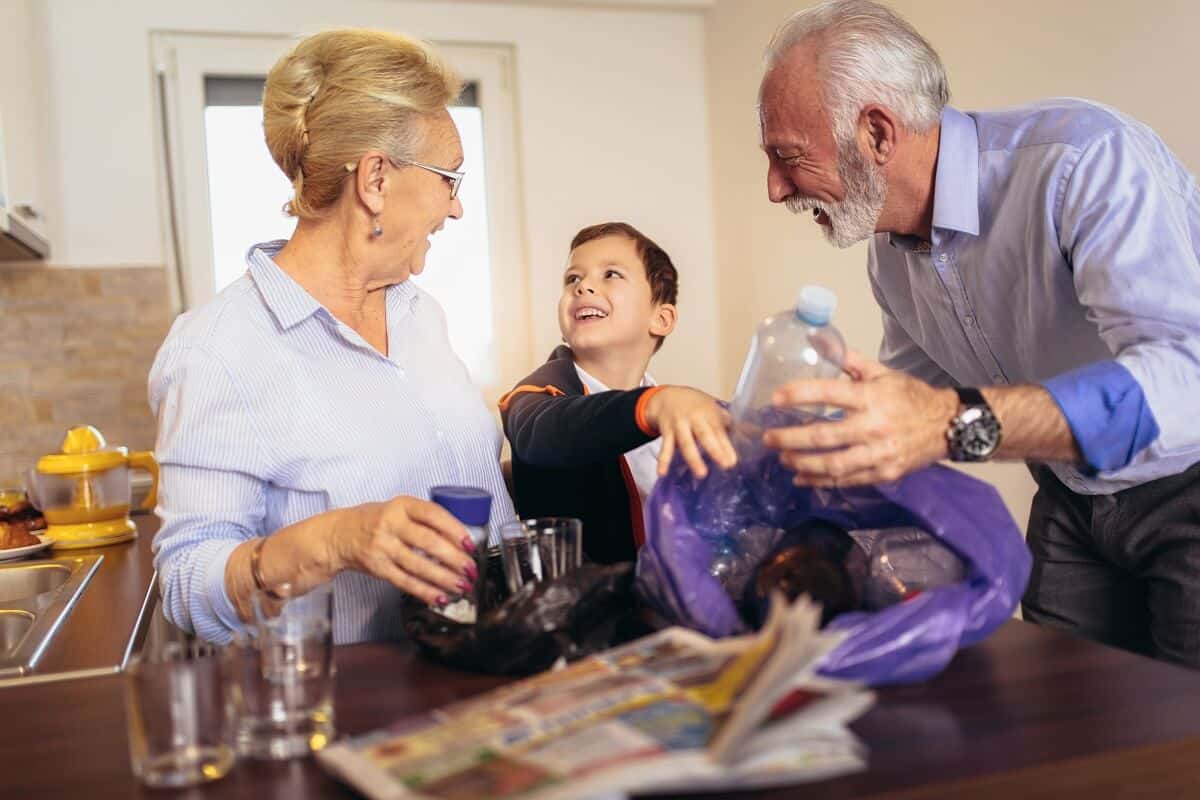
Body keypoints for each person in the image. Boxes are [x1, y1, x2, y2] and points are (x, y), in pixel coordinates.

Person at [755, 0, 1200, 665]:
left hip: (1186, 484)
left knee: (1179, 740)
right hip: (1071, 498)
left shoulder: (1082, 161)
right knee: (1065, 726)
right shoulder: (889, 254)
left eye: (789, 157)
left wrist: (945, 420)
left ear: (877, 132)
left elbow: (1187, 378)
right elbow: (912, 411)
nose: (773, 188)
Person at [149, 29, 514, 644]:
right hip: (357, 713)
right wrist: (335, 539)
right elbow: (185, 585)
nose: (455, 209)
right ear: (375, 179)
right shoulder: (217, 351)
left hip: (486, 676)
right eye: (449, 179)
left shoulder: (420, 312)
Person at [499, 223, 736, 564]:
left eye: (610, 274)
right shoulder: (539, 394)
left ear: (661, 319)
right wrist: (650, 406)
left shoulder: (676, 408)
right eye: (573, 279)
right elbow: (545, 435)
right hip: (587, 607)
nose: (584, 287)